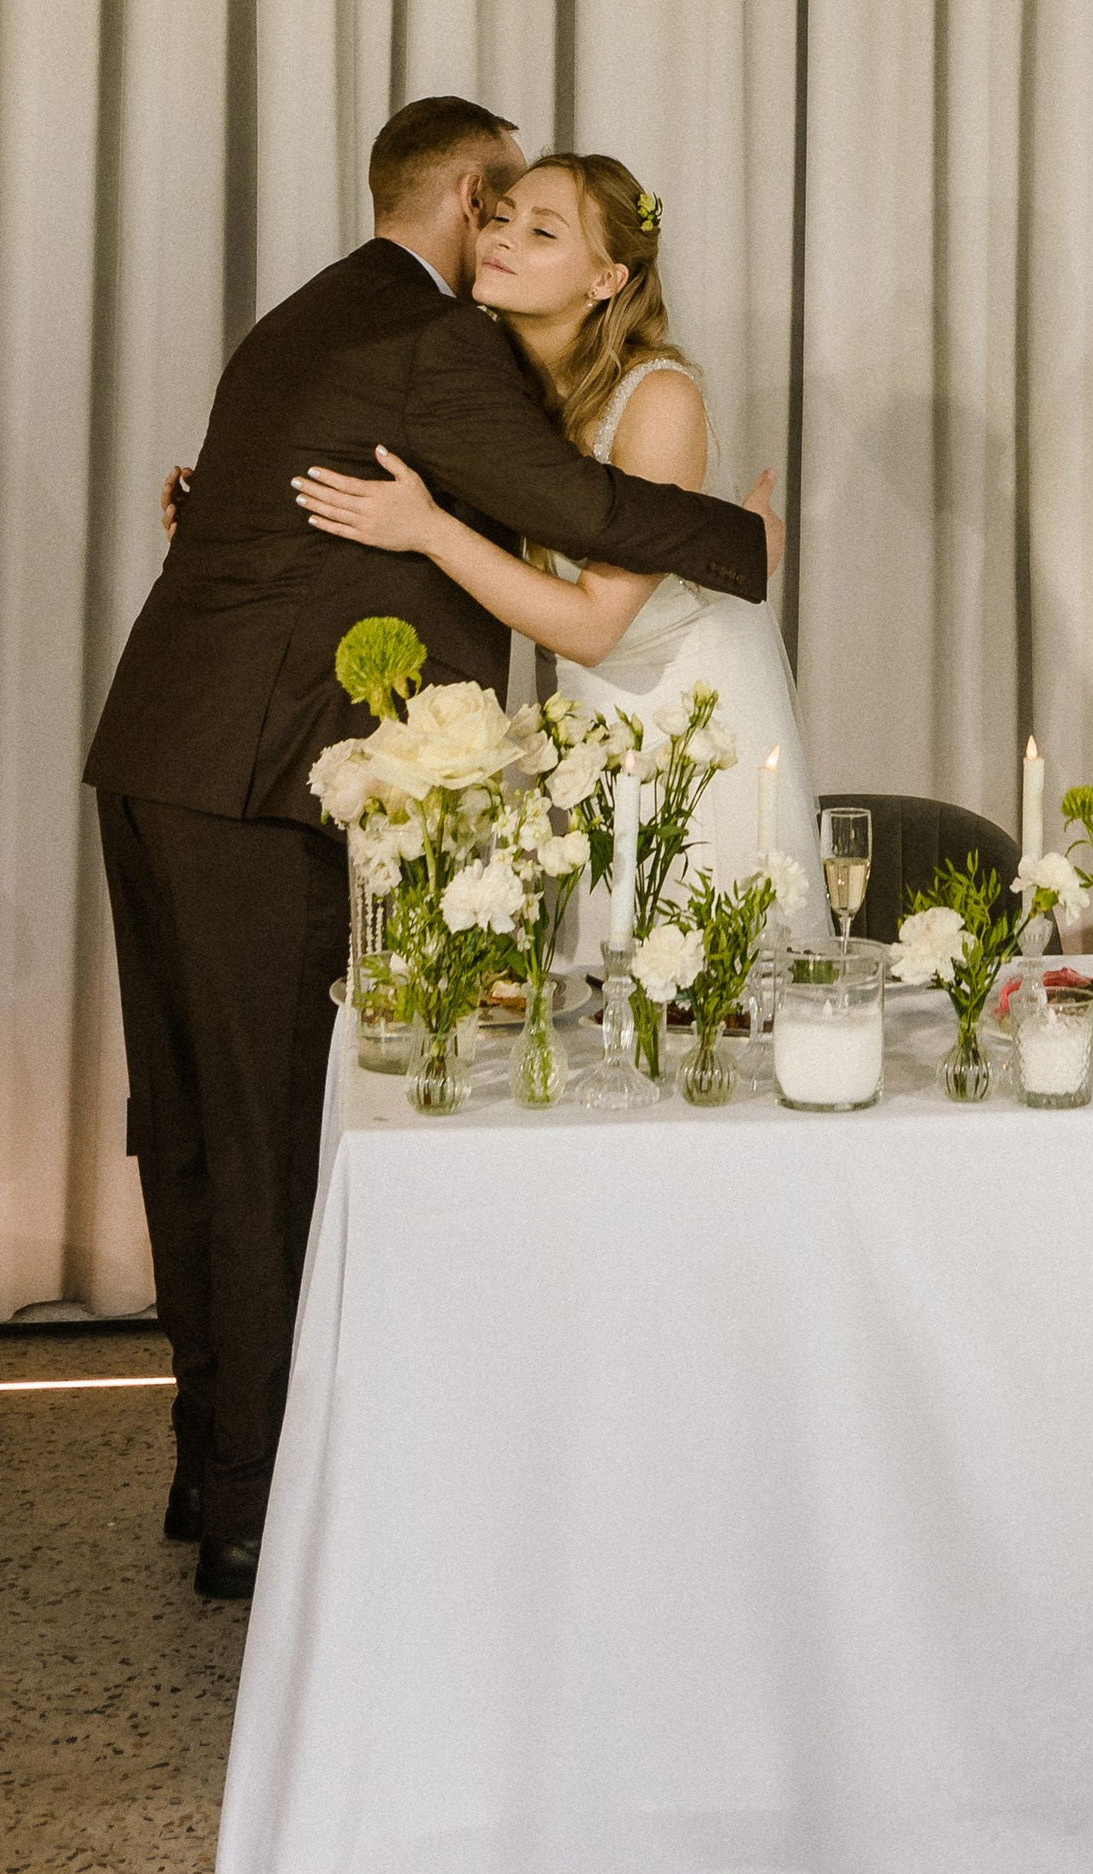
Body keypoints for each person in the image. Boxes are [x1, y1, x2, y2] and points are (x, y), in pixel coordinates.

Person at [87, 97, 784, 1600]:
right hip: (253, 778)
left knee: (198, 1119)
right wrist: (744, 543)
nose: (517, 227)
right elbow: (579, 506)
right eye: (512, 204)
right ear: (470, 195)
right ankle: (255, 1512)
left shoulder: (316, 310)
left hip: (163, 749)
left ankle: (214, 1450)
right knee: (265, 1124)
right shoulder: (431, 336)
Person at [290, 150, 820, 913]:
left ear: (607, 279)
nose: (502, 238)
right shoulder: (497, 394)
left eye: (542, 232)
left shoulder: (658, 398)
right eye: (501, 218)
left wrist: (429, 530)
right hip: (582, 738)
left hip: (686, 737)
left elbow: (595, 625)